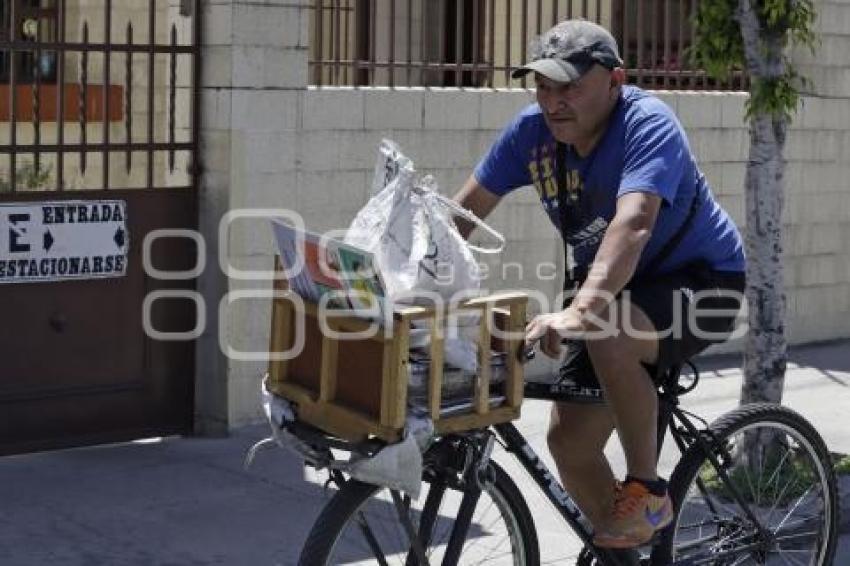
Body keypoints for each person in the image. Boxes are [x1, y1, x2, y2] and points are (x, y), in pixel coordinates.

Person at [452, 19, 746, 550]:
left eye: (570, 86)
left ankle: (647, 492)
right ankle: (630, 549)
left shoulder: (647, 124)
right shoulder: (530, 134)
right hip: (615, 290)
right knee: (568, 442)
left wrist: (580, 311)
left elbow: (632, 224)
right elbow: (462, 214)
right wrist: (397, 273)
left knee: (607, 328)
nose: (553, 101)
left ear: (615, 80)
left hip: (704, 284)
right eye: (543, 86)